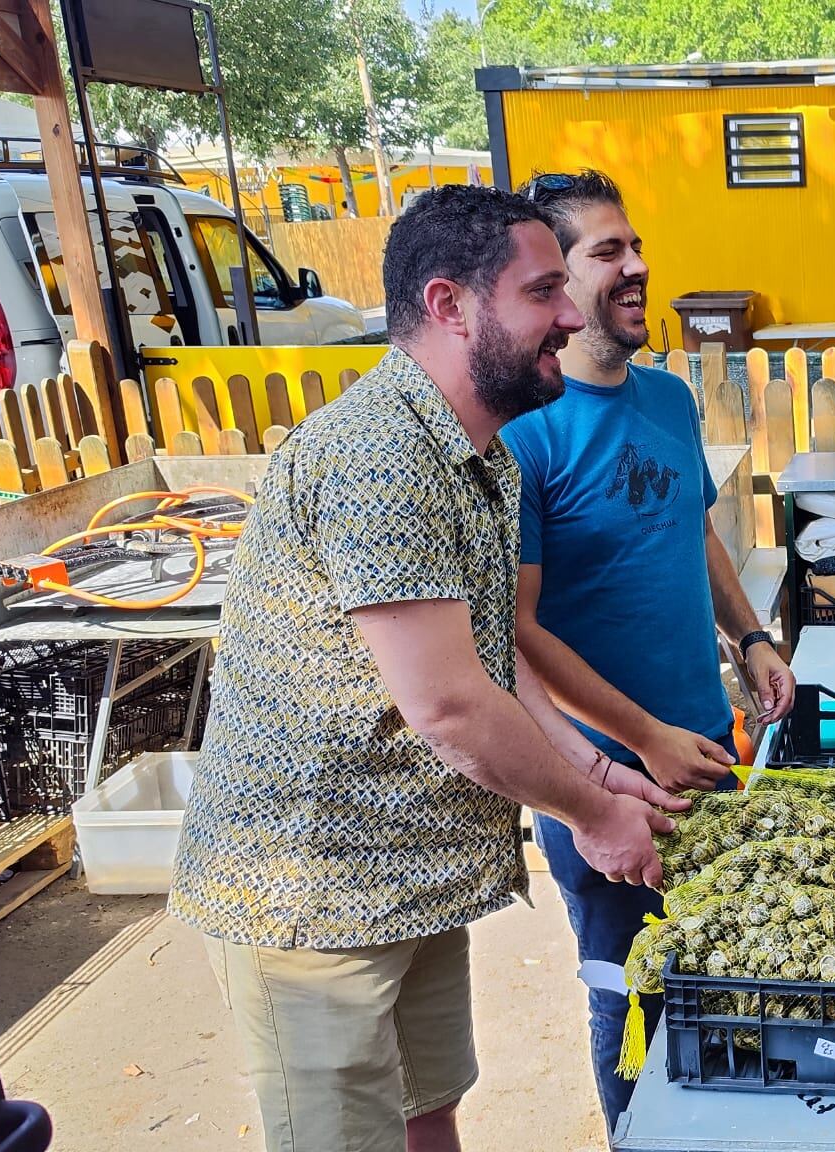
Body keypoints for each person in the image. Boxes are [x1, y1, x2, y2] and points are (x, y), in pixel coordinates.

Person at [171, 185, 689, 1152]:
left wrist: (599, 769)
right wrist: (596, 816)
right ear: (451, 305)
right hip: (312, 893)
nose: (573, 315)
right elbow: (448, 707)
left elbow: (490, 663)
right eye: (544, 293)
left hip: (405, 874)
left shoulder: (481, 456)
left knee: (428, 1110)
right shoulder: (380, 457)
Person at [501, 170, 798, 1132]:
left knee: (726, 965)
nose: (637, 268)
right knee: (630, 988)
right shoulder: (524, 434)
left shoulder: (669, 399)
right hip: (602, 774)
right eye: (606, 253)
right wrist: (644, 739)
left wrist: (748, 635)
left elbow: (694, 533)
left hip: (704, 744)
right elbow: (519, 634)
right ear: (551, 279)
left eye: (635, 246)